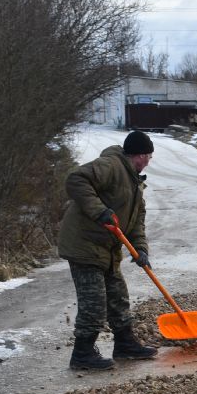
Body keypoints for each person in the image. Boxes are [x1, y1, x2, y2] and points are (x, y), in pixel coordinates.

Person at [57, 130, 160, 371]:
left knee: (118, 297)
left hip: (107, 250)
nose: (148, 161)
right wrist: (98, 210)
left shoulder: (135, 182)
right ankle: (82, 353)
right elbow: (76, 179)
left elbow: (136, 221)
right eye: (148, 156)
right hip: (84, 245)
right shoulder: (111, 165)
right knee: (94, 302)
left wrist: (141, 249)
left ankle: (124, 344)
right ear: (140, 155)